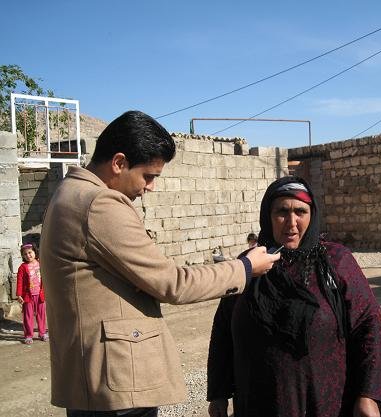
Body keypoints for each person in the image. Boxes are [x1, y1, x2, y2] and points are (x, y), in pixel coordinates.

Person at [40, 110, 280, 417]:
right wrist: (245, 268)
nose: (150, 187)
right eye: (148, 176)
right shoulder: (99, 204)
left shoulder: (69, 193)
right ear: (119, 162)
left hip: (94, 379)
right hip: (117, 384)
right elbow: (173, 283)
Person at [207, 176, 381, 417]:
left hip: (324, 402)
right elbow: (223, 329)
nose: (291, 223)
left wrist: (368, 396)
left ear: (312, 215)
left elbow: (369, 325)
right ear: (267, 216)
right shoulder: (250, 264)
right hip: (258, 402)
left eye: (300, 212)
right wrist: (218, 393)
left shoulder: (336, 261)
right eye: (282, 211)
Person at [16, 242, 48, 344]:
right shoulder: (22, 267)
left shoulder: (41, 264)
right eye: (25, 254)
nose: (28, 255)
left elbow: (46, 278)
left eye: (30, 252)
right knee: (28, 315)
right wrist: (19, 294)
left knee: (41, 314)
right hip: (27, 296)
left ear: (35, 252)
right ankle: (29, 335)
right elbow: (20, 281)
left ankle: (42, 333)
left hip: (40, 295)